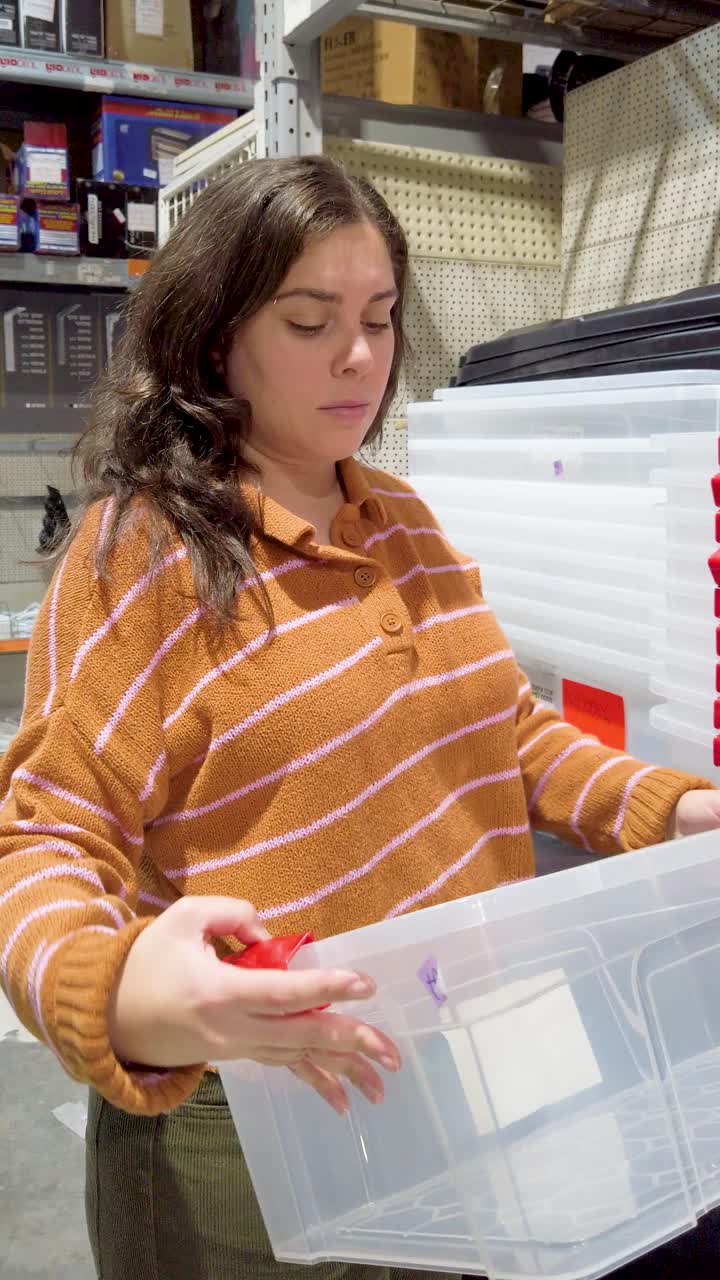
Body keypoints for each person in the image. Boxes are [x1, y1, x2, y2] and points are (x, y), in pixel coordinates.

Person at [0, 155, 718, 1280]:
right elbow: (44, 834)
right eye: (309, 320)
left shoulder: (402, 519)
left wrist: (670, 810)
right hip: (241, 1117)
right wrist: (126, 989)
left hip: (444, 1076)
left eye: (380, 319)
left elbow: (500, 729)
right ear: (215, 336)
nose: (360, 356)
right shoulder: (147, 551)